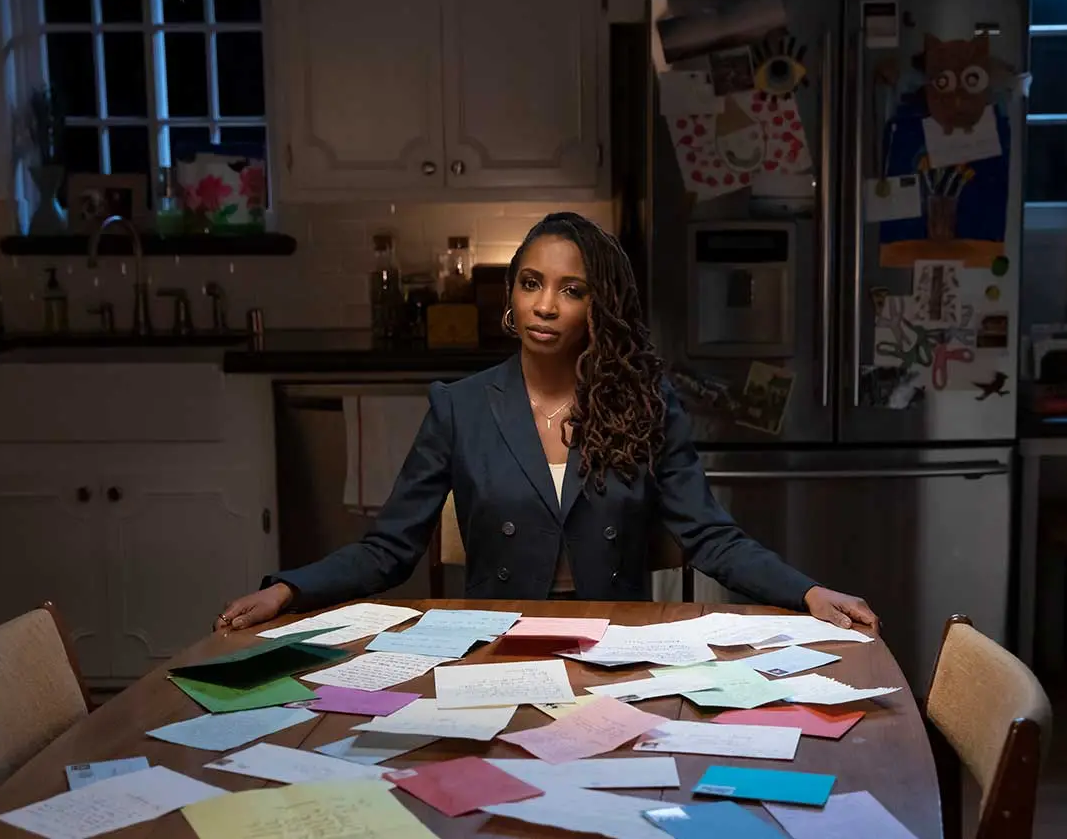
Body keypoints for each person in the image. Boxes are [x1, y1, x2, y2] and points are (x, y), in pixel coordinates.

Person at [216, 212, 878, 632]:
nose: (545, 306)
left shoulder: (646, 402)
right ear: (511, 292)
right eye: (530, 283)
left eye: (572, 289)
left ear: (600, 304)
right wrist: (288, 589)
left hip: (617, 645)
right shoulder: (461, 405)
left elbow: (712, 538)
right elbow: (388, 550)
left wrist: (809, 592)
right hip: (494, 648)